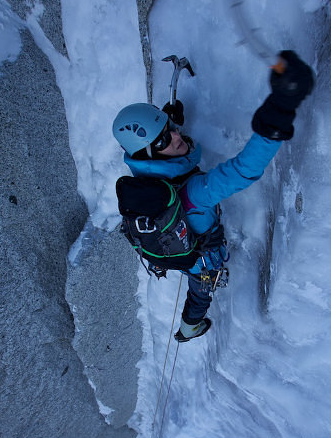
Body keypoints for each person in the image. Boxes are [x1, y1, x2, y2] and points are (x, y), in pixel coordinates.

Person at [112, 51, 314, 342]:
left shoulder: (145, 177)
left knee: (195, 279)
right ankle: (190, 326)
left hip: (174, 243)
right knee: (200, 292)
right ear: (149, 154)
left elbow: (167, 140)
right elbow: (245, 169)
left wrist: (167, 127)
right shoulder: (195, 194)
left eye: (171, 128)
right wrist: (280, 110)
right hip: (202, 259)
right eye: (165, 140)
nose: (177, 136)